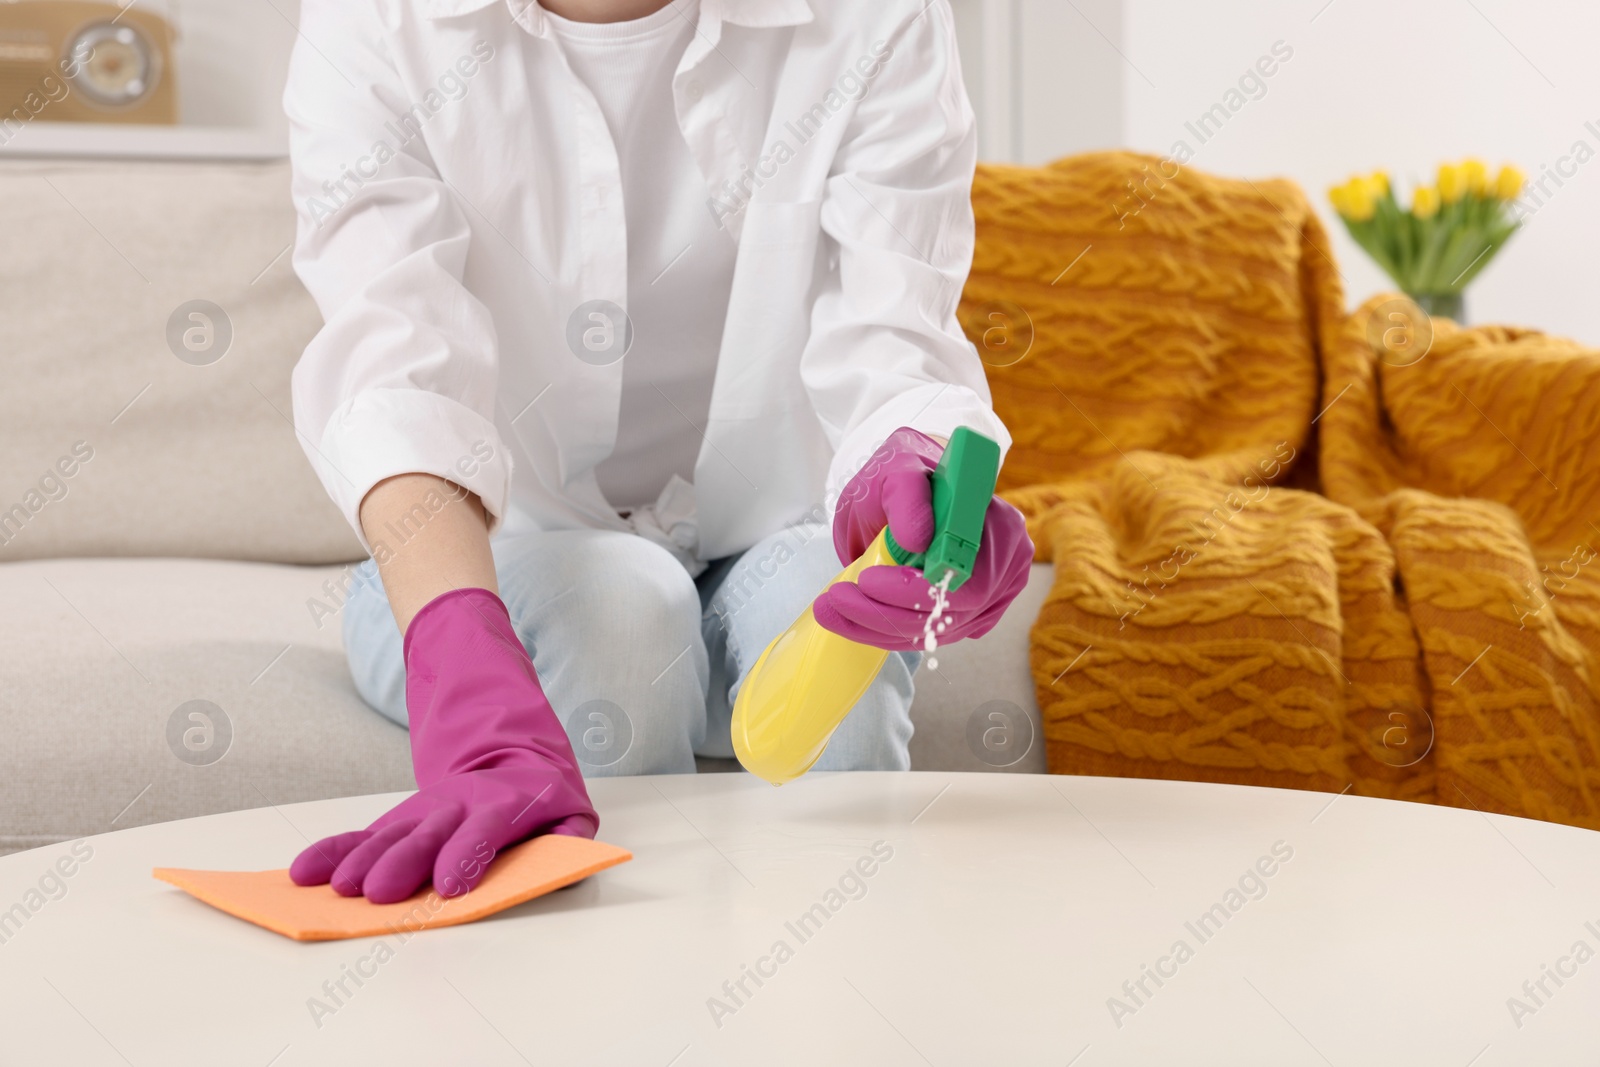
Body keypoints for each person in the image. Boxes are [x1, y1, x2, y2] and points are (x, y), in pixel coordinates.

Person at [281, 0, 1033, 903]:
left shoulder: (874, 15)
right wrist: (459, 655)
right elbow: (396, 370)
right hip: (503, 549)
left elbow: (894, 330)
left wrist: (918, 474)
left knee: (813, 610)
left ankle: (838, 1005)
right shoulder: (376, 20)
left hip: (774, 525)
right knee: (621, 615)